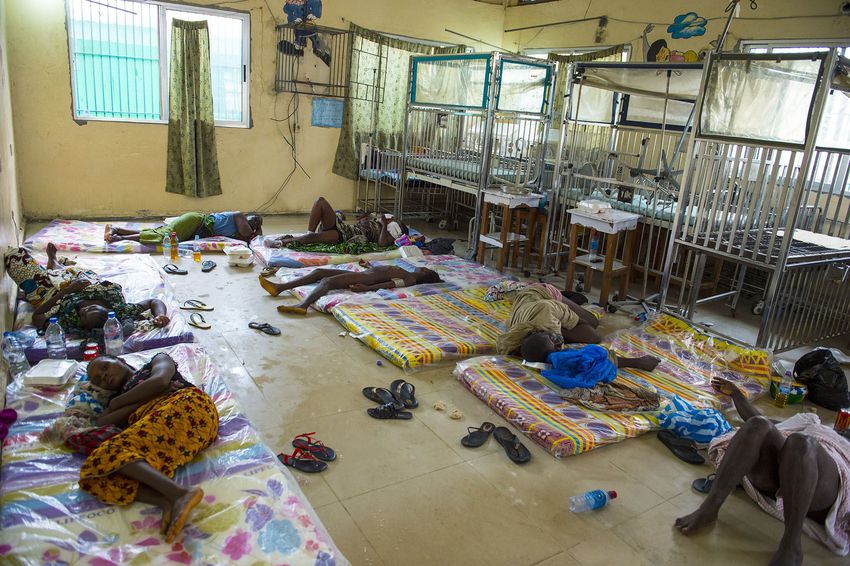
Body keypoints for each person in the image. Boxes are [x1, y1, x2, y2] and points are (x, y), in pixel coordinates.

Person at [675, 377, 850, 564]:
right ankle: (710, 507)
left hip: (828, 481)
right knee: (758, 424)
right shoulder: (811, 423)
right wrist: (736, 394)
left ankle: (791, 541)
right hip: (786, 468)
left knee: (802, 443)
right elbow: (758, 420)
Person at [81, 353, 219, 543]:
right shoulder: (117, 397)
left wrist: (117, 404)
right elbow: (101, 422)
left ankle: (180, 493)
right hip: (172, 430)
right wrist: (139, 400)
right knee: (98, 466)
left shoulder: (155, 362)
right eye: (98, 379)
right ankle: (165, 500)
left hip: (186, 405)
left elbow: (160, 381)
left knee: (114, 453)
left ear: (120, 360)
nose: (103, 376)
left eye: (105, 367)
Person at [3, 244, 170, 336]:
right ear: (108, 311)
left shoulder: (71, 321)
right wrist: (160, 315)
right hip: (86, 282)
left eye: (82, 315)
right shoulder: (119, 309)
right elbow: (154, 301)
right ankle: (55, 263)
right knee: (74, 274)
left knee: (15, 256)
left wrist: (65, 292)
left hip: (53, 296)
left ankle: (53, 266)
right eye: (90, 309)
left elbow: (37, 317)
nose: (83, 310)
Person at [495, 282, 659, 370]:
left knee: (593, 328)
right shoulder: (516, 339)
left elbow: (583, 325)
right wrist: (634, 362)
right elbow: (581, 360)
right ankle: (572, 308)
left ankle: (570, 297)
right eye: (557, 345)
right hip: (526, 305)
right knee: (587, 338)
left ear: (544, 331)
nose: (560, 344)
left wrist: (574, 326)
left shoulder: (549, 311)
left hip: (542, 293)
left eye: (555, 339)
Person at [259, 264, 442, 315]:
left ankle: (303, 305)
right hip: (366, 273)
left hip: (366, 278)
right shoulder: (407, 272)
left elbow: (389, 284)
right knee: (319, 271)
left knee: (328, 281)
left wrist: (367, 288)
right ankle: (279, 287)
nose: (420, 267)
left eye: (423, 268)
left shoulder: (409, 278)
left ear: (425, 272)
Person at [265, 197, 407, 248]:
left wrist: (383, 225)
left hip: (345, 236)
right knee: (320, 201)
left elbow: (382, 243)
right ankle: (308, 233)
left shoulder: (394, 231)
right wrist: (365, 219)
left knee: (314, 239)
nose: (394, 220)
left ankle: (280, 243)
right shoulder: (383, 221)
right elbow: (364, 224)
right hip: (345, 227)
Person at [107, 212, 262, 244]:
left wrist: (257, 229)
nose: (253, 224)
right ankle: (119, 238)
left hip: (195, 227)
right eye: (253, 220)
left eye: (256, 223)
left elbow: (255, 241)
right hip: (195, 222)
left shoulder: (240, 228)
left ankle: (117, 230)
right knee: (165, 238)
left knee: (161, 233)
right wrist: (258, 228)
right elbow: (248, 236)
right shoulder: (239, 216)